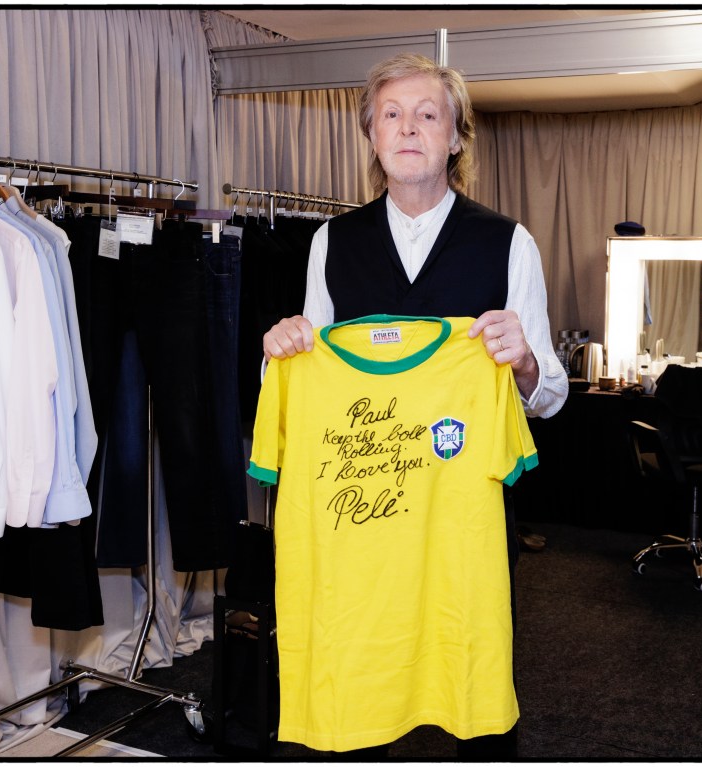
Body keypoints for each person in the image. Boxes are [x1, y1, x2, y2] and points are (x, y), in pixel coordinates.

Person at [261, 52, 569, 759]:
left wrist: (522, 359)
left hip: (460, 521)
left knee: (473, 694)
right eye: (391, 115)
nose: (408, 128)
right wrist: (279, 348)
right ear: (371, 135)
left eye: (427, 114)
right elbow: (299, 377)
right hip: (360, 524)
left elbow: (549, 395)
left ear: (455, 137)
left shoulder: (507, 242)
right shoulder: (330, 242)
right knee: (361, 698)